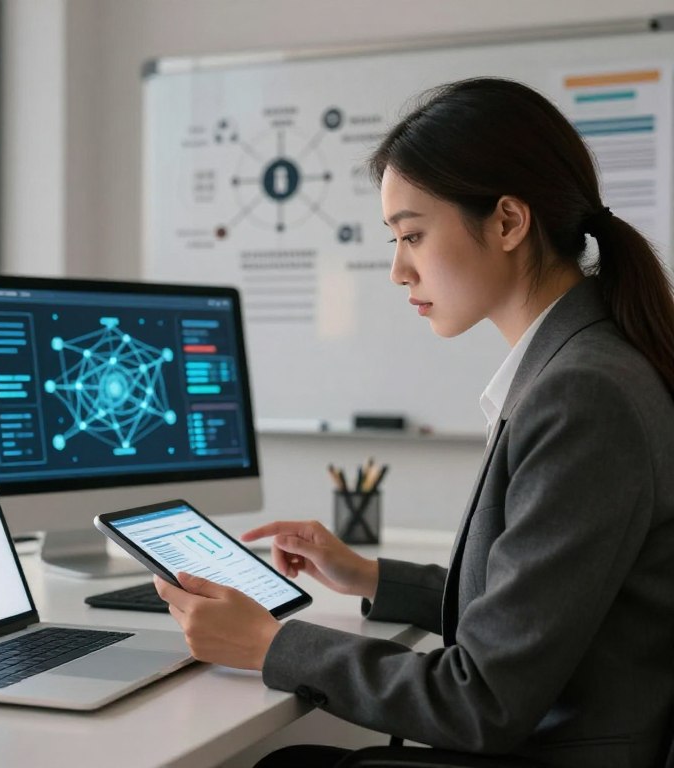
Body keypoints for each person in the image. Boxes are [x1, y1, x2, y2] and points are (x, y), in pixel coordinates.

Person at [153, 77, 674, 768]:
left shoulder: (582, 394)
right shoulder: (587, 362)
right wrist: (369, 576)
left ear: (509, 223)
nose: (399, 270)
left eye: (413, 236)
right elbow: (534, 607)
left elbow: (483, 699)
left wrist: (269, 645)